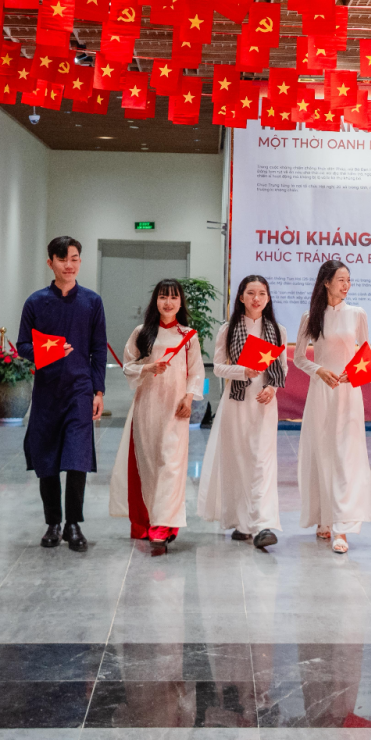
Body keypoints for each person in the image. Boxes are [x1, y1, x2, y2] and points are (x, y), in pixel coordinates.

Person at [17, 236, 107, 552]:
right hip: (47, 391)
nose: (69, 265)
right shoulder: (36, 302)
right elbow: (23, 346)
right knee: (48, 457)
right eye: (62, 259)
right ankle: (53, 522)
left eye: (74, 258)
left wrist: (98, 391)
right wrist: (50, 349)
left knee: (78, 456)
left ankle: (73, 524)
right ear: (50, 263)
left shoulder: (92, 302)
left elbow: (98, 350)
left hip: (80, 390)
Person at [110, 279, 204, 554]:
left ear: (181, 302)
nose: (168, 302)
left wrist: (188, 398)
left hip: (176, 408)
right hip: (148, 407)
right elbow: (128, 366)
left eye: (174, 297)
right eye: (163, 297)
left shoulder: (189, 336)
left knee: (171, 464)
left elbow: (196, 371)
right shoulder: (142, 333)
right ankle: (153, 521)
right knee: (150, 464)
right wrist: (148, 368)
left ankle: (162, 527)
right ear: (156, 301)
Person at [199, 275, 286, 549]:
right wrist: (242, 371)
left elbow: (281, 367)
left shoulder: (277, 330)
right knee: (238, 460)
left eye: (262, 293)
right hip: (236, 402)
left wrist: (272, 388)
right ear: (240, 297)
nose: (256, 298)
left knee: (262, 461)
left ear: (268, 298)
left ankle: (263, 524)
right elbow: (218, 367)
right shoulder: (228, 329)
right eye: (251, 293)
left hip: (264, 403)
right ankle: (242, 522)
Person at [294, 260, 371, 554]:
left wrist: (354, 374)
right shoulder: (310, 317)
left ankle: (342, 527)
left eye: (348, 280)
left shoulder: (357, 314)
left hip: (348, 393)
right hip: (321, 392)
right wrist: (318, 371)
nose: (346, 285)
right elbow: (299, 358)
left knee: (345, 456)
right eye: (341, 279)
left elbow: (366, 355)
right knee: (322, 452)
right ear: (326, 282)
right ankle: (324, 517)